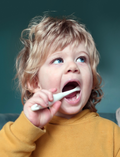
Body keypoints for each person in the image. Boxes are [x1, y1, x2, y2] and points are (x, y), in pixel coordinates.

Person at [0, 15, 120, 157]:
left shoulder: (111, 133)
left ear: (92, 79)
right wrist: (27, 127)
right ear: (34, 82)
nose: (73, 66)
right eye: (58, 60)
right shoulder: (20, 134)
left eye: (81, 59)